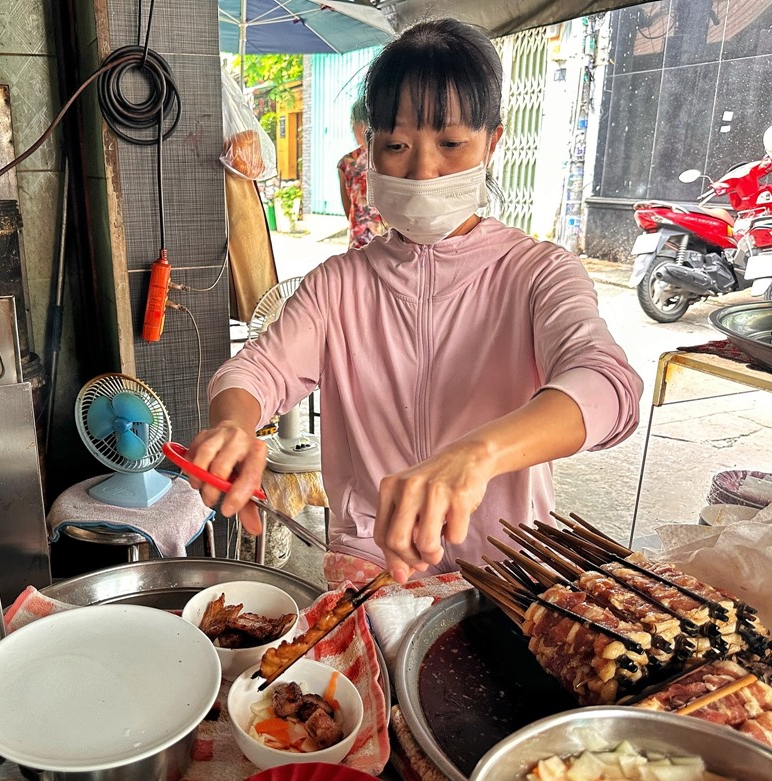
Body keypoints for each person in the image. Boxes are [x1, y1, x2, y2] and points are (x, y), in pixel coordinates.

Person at [186, 18, 643, 587]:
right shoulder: (338, 284)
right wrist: (234, 425)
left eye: (451, 144)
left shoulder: (537, 271)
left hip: (506, 567)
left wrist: (477, 454)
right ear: (369, 151)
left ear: (492, 143)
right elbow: (258, 369)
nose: (423, 170)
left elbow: (607, 386)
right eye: (397, 146)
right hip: (373, 565)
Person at [337, 98, 387, 248]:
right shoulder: (390, 157)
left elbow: (348, 209)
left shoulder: (347, 162)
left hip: (359, 240)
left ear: (361, 125)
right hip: (388, 239)